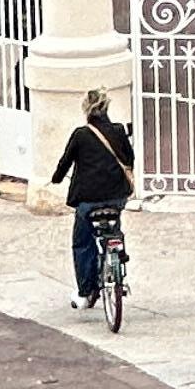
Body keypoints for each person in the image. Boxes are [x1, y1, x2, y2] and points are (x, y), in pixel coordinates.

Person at [51, 85, 136, 307]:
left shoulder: (81, 135)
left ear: (86, 111)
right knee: (113, 226)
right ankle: (118, 256)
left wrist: (56, 179)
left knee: (82, 241)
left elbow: (64, 163)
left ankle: (85, 291)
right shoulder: (118, 131)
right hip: (117, 197)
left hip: (88, 200)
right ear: (107, 109)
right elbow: (130, 159)